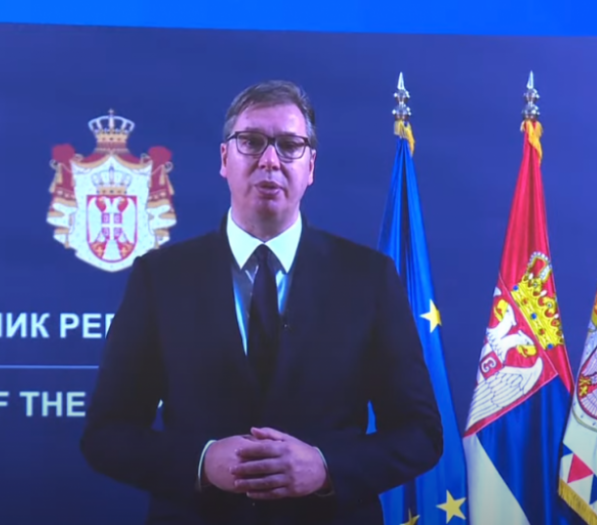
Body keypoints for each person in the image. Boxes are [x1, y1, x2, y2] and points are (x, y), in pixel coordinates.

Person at [79, 80, 443, 525]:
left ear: (311, 166)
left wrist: (326, 468)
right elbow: (106, 433)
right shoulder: (160, 278)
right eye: (251, 142)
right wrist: (201, 462)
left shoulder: (369, 278)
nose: (270, 160)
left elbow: (421, 433)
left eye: (290, 145)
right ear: (224, 159)